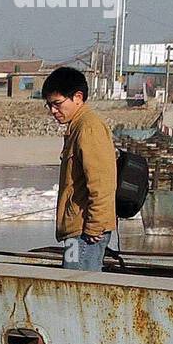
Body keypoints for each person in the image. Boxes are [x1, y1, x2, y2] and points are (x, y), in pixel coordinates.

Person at [42, 66, 116, 271]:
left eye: (57, 104)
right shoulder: (78, 126)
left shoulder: (89, 128)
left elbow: (102, 182)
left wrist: (94, 225)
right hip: (78, 227)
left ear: (77, 97)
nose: (53, 111)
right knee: (73, 286)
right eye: (49, 105)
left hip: (87, 230)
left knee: (76, 288)